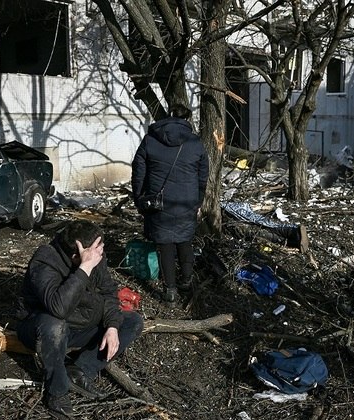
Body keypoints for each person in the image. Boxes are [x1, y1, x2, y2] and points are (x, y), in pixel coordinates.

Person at [16, 220, 144, 417]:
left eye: (100, 250)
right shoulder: (45, 260)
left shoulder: (95, 254)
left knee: (132, 321)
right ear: (76, 254)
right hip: (41, 327)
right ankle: (56, 392)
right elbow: (58, 308)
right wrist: (85, 268)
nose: (99, 255)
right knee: (54, 325)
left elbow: (109, 292)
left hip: (80, 323)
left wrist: (111, 327)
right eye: (95, 253)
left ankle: (80, 370)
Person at [131, 104, 209, 306]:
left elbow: (138, 172)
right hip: (186, 201)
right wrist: (198, 200)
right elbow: (203, 176)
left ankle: (170, 293)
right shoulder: (195, 142)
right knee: (184, 240)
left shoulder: (150, 139)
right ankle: (187, 279)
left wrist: (139, 197)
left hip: (159, 202)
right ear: (187, 120)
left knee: (165, 244)